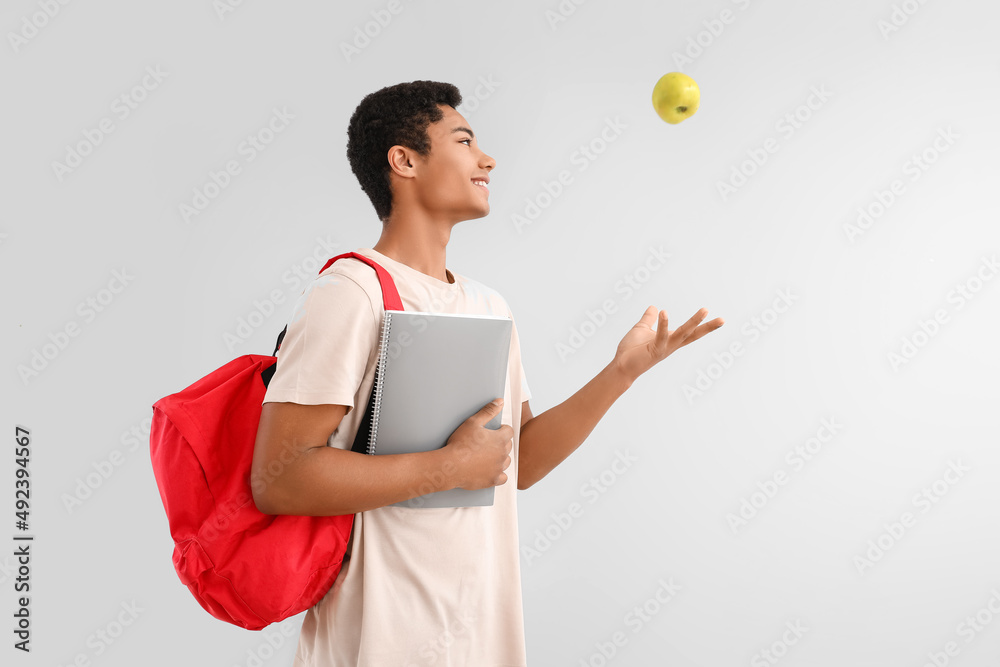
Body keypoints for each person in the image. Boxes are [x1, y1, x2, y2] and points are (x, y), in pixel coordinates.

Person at [251, 80, 724, 666]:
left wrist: (621, 373)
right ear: (404, 160)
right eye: (465, 139)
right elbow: (280, 478)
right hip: (378, 641)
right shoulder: (351, 292)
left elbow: (518, 461)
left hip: (481, 639)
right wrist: (448, 466)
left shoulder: (488, 305)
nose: (488, 158)